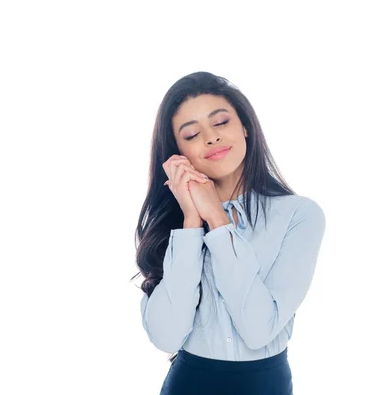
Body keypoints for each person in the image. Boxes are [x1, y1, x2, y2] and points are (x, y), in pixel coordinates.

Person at [131, 71, 326, 394]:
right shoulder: (174, 224)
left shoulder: (299, 215)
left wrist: (217, 220)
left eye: (221, 122)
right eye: (192, 134)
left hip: (265, 384)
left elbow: (258, 330)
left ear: (245, 126)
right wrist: (192, 221)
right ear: (177, 153)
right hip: (189, 383)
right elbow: (167, 336)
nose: (211, 138)